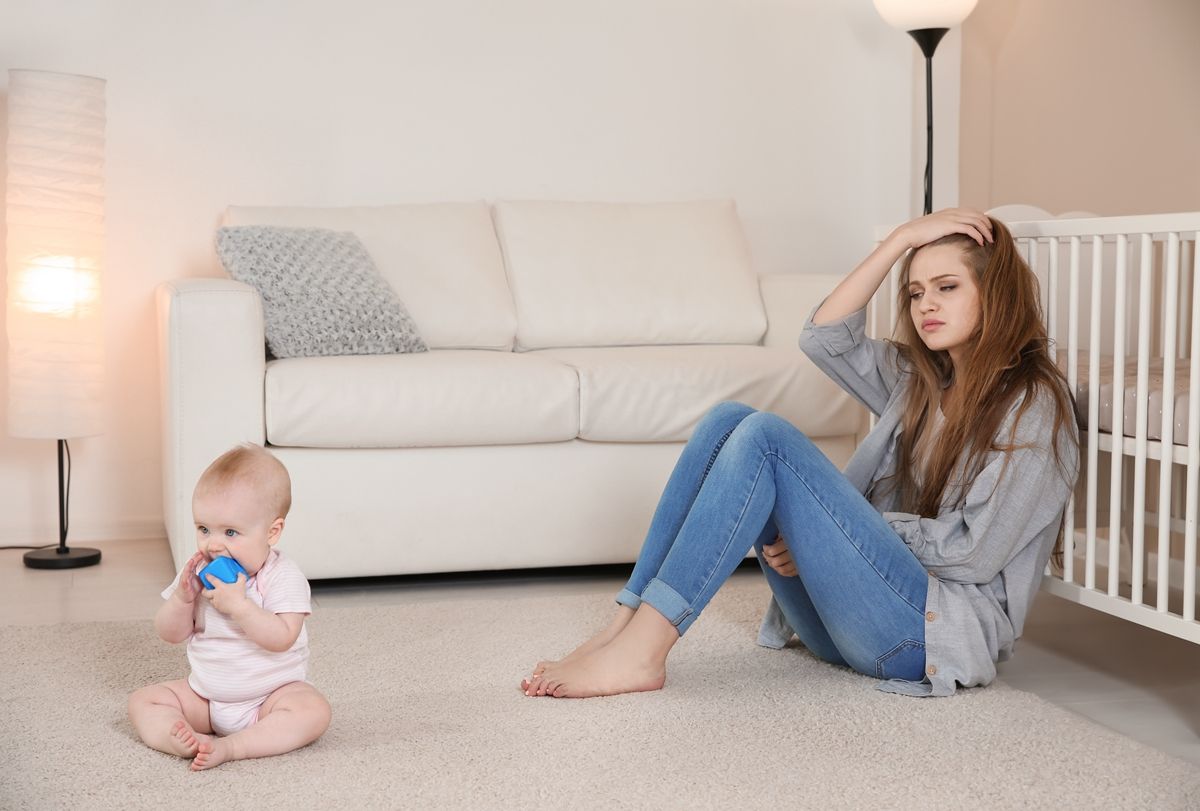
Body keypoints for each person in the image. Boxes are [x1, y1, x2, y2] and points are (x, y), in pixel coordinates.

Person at [522, 208, 1079, 699]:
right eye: (915, 292)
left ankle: (643, 653)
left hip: (922, 636)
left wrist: (830, 532)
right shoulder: (920, 380)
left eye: (947, 287)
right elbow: (824, 336)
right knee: (727, 421)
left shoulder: (1034, 405)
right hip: (840, 620)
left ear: (995, 294)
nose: (926, 304)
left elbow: (975, 554)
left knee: (767, 437)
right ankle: (623, 625)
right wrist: (900, 239)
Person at [128, 444, 331, 769]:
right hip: (207, 698)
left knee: (313, 711)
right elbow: (169, 633)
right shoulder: (197, 572)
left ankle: (235, 747)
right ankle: (177, 739)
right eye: (203, 529)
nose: (213, 544)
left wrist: (240, 606)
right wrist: (183, 599)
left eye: (231, 532)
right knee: (143, 700)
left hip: (270, 698)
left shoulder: (282, 577)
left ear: (272, 531)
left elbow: (283, 637)